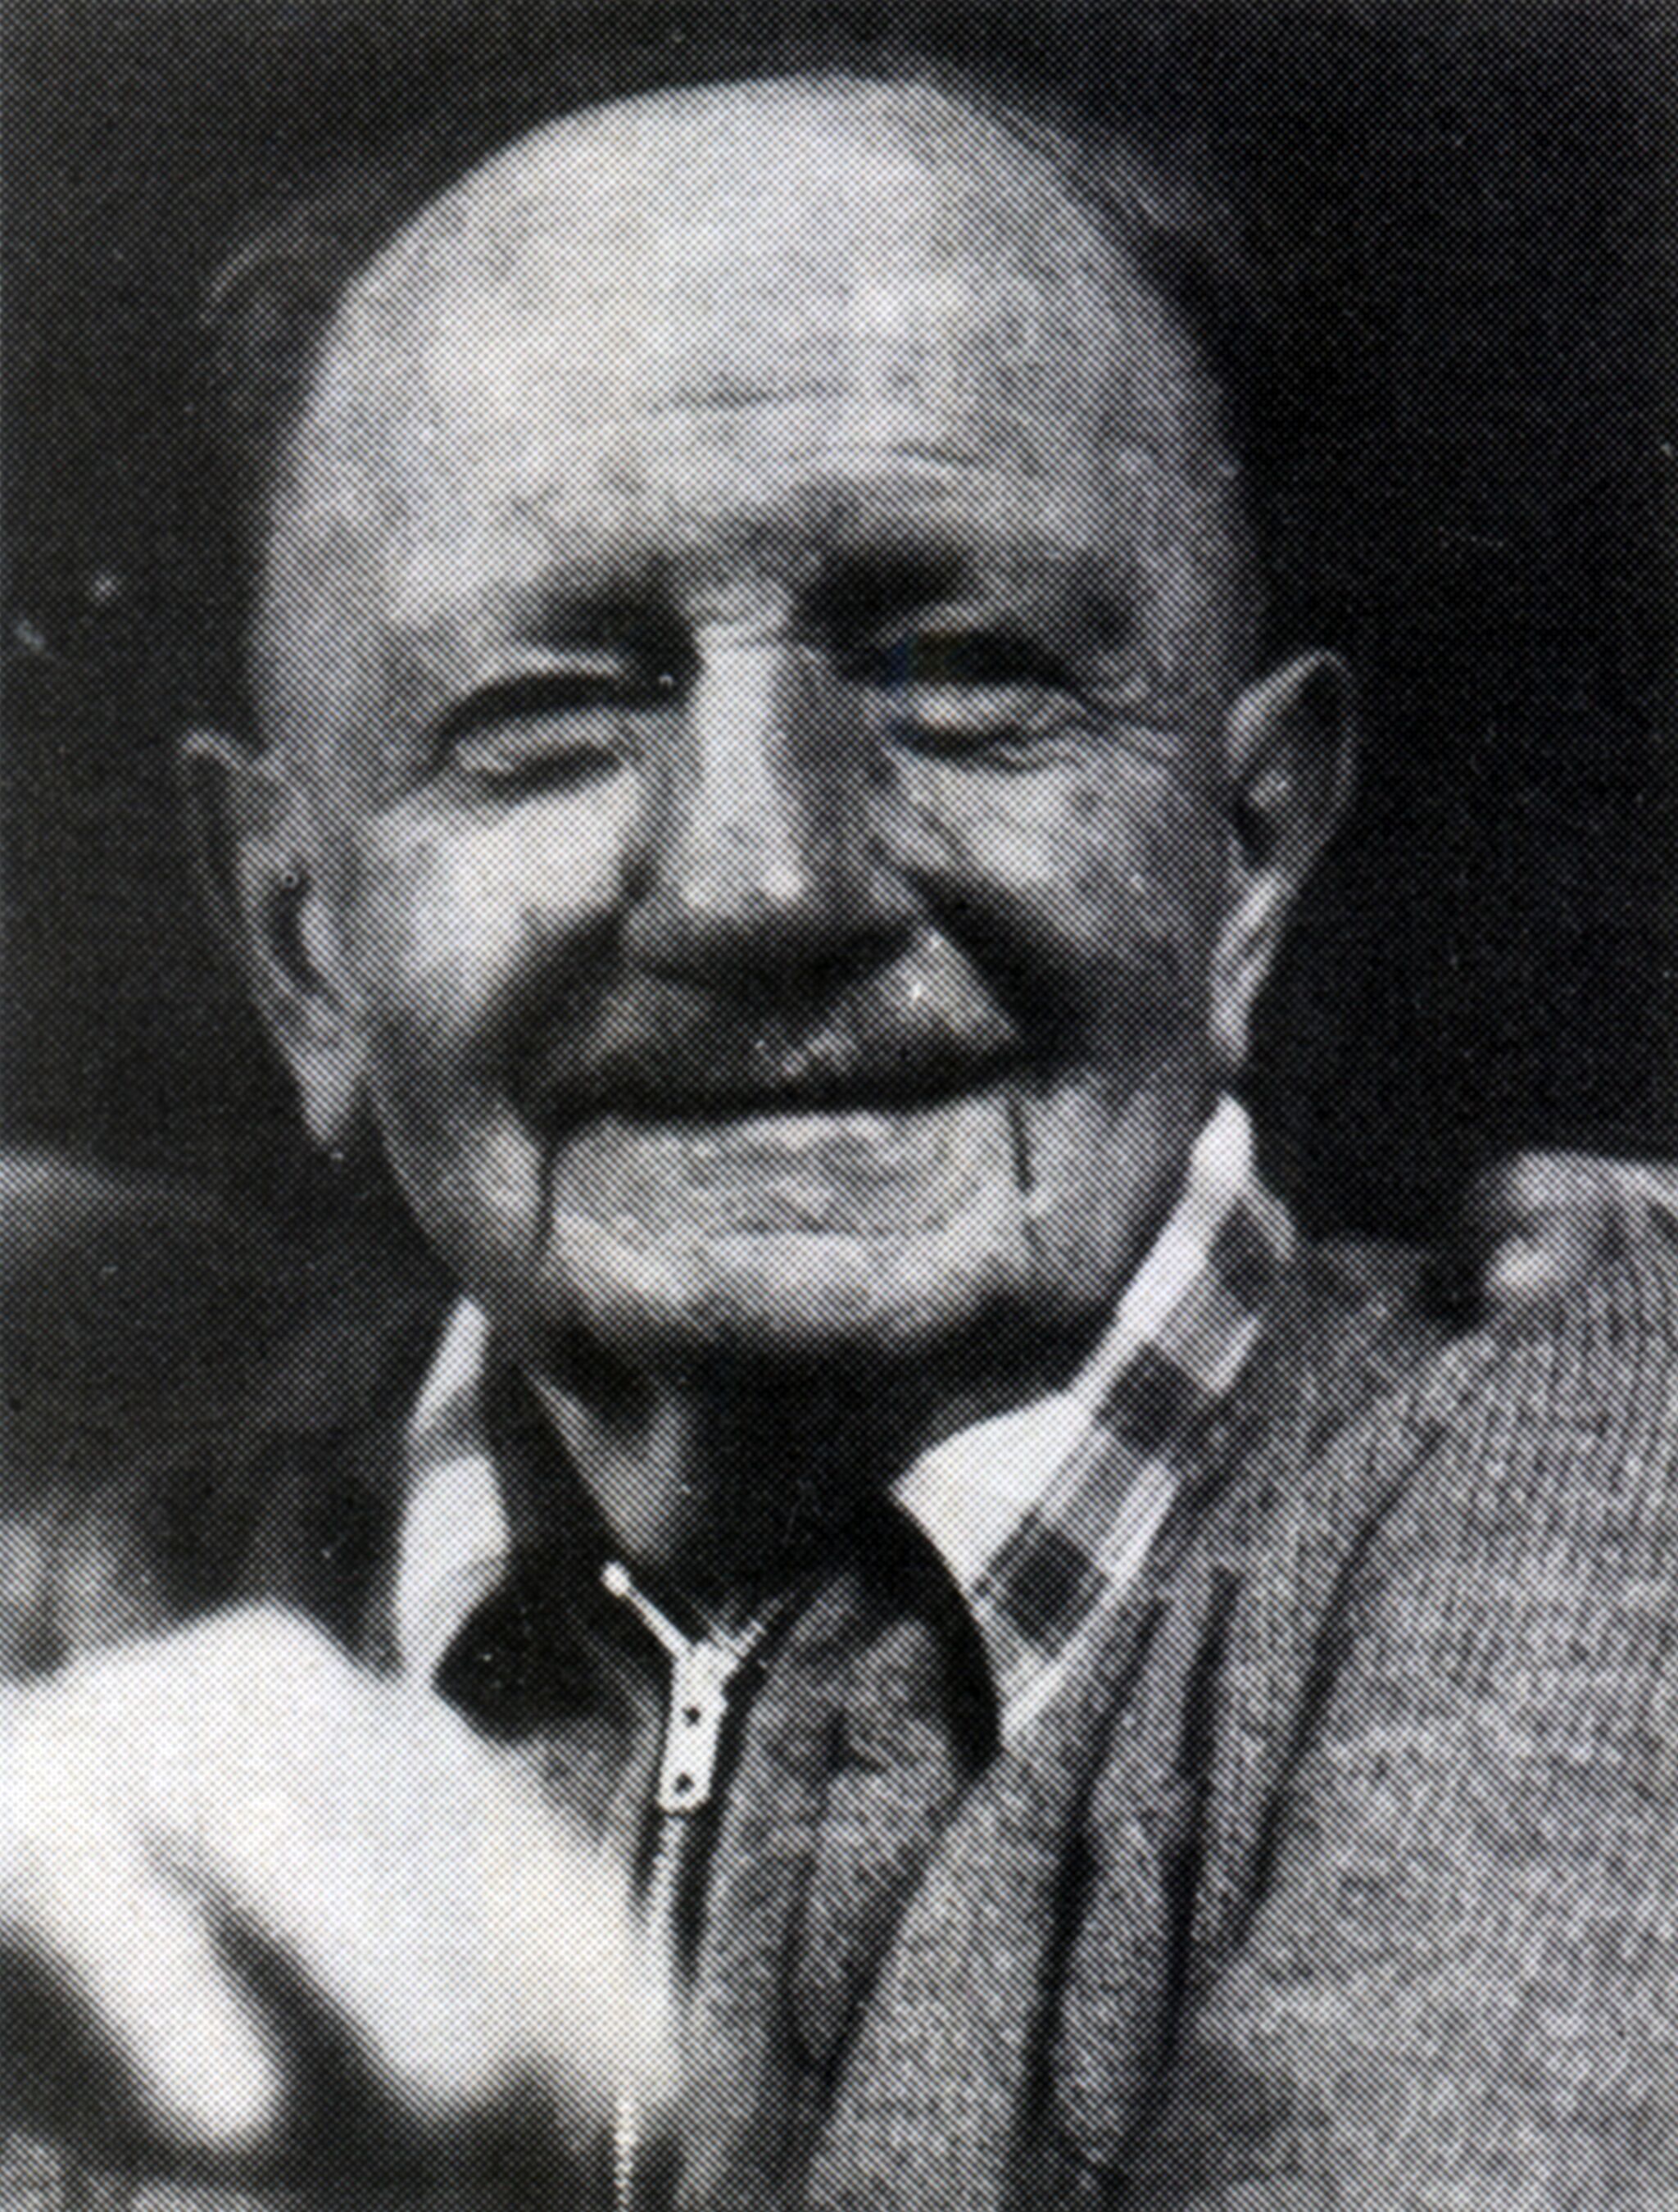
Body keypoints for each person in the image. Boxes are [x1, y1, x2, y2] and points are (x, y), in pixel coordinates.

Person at [3, 58, 1675, 2212]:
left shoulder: (1605, 1476)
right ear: (302, 943)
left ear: (1247, 853)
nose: (764, 883)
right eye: (543, 717)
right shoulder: (81, 1585)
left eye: (964, 674)